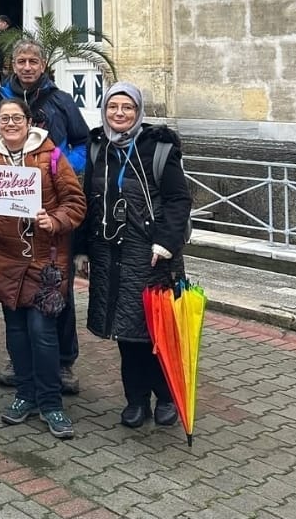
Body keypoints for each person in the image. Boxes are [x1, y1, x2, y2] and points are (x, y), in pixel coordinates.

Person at [0, 39, 89, 394]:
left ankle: (63, 362)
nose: (26, 67)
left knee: (58, 294)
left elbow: (84, 142)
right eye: (20, 61)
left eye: (32, 61)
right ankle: (18, 361)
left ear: (43, 64)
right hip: (9, 225)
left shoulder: (61, 100)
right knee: (14, 296)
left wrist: (63, 166)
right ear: (12, 64)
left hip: (50, 222)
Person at [74, 81, 190, 430]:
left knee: (155, 331)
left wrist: (165, 242)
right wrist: (81, 248)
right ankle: (136, 400)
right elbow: (88, 198)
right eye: (113, 107)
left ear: (138, 112)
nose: (119, 113)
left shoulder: (158, 147)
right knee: (125, 332)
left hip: (151, 254)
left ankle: (166, 396)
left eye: (127, 107)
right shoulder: (99, 146)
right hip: (109, 253)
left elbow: (178, 200)